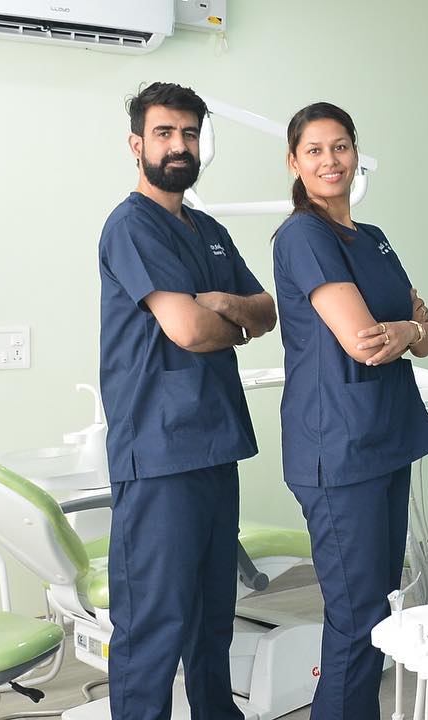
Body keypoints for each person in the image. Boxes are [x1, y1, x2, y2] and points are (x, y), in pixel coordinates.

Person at [98, 81, 276, 720]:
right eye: (165, 133)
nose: (179, 145)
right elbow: (189, 330)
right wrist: (232, 325)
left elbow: (267, 310)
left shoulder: (211, 232)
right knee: (155, 621)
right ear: (136, 144)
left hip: (214, 444)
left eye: (190, 134)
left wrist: (225, 305)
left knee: (212, 616)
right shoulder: (130, 227)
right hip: (159, 450)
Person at [270, 102, 428, 718]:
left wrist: (409, 331)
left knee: (381, 606)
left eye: (340, 146)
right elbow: (366, 343)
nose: (330, 160)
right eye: (314, 150)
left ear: (356, 153)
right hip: (337, 446)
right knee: (357, 614)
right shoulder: (303, 235)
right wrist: (407, 329)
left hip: (383, 438)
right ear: (294, 162)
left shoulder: (373, 238)